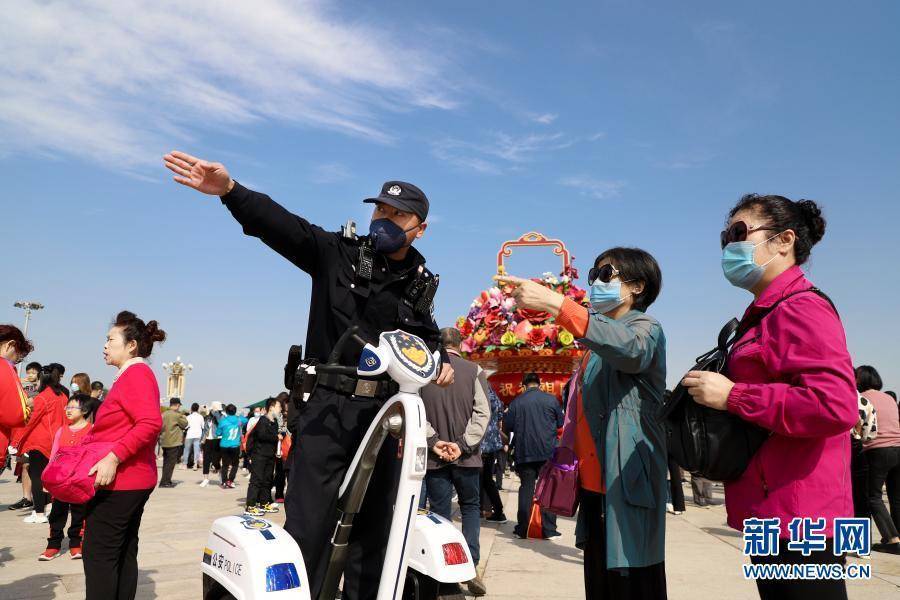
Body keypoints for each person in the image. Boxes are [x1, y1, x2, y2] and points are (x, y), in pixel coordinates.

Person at [164, 149, 454, 600]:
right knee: (310, 528)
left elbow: (427, 337)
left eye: (398, 215)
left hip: (385, 415)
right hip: (327, 411)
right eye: (379, 208)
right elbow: (285, 228)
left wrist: (443, 360)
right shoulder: (338, 253)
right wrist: (230, 191)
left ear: (420, 228)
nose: (384, 219)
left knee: (378, 532)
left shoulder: (420, 284)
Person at [684, 195, 857, 600]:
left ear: (784, 241)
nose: (729, 245)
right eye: (725, 237)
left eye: (739, 233)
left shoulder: (800, 308)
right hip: (769, 508)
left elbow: (834, 405)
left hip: (799, 514)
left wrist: (734, 397)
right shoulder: (764, 313)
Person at [501, 247, 668, 599]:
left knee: (632, 580)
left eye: (606, 275)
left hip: (627, 481)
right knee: (600, 582)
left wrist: (556, 304)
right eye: (593, 276)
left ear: (637, 286)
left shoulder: (645, 329)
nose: (596, 283)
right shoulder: (593, 348)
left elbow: (630, 350)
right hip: (595, 487)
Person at [82, 310, 165, 600]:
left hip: (121, 481)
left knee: (99, 556)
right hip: (133, 480)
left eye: (110, 339)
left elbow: (151, 422)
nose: (104, 345)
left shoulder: (137, 374)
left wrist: (114, 456)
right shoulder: (132, 375)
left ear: (131, 345)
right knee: (123, 551)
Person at [420, 327, 491, 597]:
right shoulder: (474, 370)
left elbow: (417, 411)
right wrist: (462, 446)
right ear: (460, 344)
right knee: (471, 508)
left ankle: (446, 569)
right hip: (468, 457)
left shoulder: (426, 371)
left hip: (435, 457)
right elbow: (482, 413)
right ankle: (470, 565)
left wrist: (435, 441)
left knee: (440, 514)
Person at [502, 372, 563, 540]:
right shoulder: (551, 400)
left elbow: (508, 426)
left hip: (525, 452)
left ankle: (523, 529)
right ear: (540, 384)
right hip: (548, 452)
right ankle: (549, 529)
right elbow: (560, 423)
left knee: (527, 488)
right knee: (548, 490)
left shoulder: (516, 402)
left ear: (524, 385)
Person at [41, 393, 96, 561]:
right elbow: (54, 455)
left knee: (80, 513)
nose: (68, 410)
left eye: (73, 407)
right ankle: (53, 545)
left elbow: (94, 454)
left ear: (85, 410)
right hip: (59, 480)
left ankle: (75, 543)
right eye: (67, 407)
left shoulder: (92, 430)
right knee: (57, 513)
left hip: (79, 481)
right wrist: (47, 480)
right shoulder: (61, 430)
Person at [13, 363, 68, 524]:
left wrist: (16, 442)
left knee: (36, 476)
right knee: (49, 477)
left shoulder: (43, 397)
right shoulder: (63, 396)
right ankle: (50, 505)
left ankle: (38, 512)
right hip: (57, 443)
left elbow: (30, 422)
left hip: (40, 443)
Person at [857, 365, 900, 554]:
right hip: (898, 448)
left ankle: (892, 539)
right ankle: (897, 538)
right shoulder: (889, 398)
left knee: (873, 497)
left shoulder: (862, 398)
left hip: (877, 450)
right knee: (896, 498)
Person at [0, 325, 33, 505]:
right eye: (18, 355)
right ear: (10, 345)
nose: (17, 361)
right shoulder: (4, 367)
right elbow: (17, 414)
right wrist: (29, 406)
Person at [244, 397, 282, 516]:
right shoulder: (262, 421)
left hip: (270, 455)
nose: (280, 409)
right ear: (271, 408)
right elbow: (262, 436)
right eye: (279, 407)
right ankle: (250, 506)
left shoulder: (274, 422)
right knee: (256, 480)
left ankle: (264, 502)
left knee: (267, 480)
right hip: (259, 455)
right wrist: (276, 437)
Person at [851, 377, 877, 521]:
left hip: (833, 450)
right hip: (857, 448)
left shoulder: (832, 397)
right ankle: (862, 540)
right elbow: (870, 435)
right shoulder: (866, 402)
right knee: (861, 497)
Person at [480, 385, 508, 523]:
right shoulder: (495, 397)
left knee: (477, 479)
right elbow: (501, 416)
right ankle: (497, 510)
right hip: (491, 444)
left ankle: (480, 508)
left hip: (478, 442)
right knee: (487, 479)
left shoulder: (477, 393)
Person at [158, 398, 187, 488]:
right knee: (170, 463)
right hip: (173, 442)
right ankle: (165, 482)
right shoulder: (177, 415)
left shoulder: (163, 414)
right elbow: (185, 424)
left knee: (166, 463)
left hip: (164, 441)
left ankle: (166, 480)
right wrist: (183, 416)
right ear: (177, 405)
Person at [217, 404, 245, 489]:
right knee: (235, 464)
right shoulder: (239, 420)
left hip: (224, 445)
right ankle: (230, 480)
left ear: (226, 411)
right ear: (235, 411)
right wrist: (239, 417)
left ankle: (224, 481)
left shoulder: (223, 421)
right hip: (234, 445)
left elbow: (218, 433)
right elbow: (246, 419)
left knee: (225, 464)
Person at [200, 402, 223, 488]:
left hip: (217, 439)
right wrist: (202, 440)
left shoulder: (221, 417)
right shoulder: (208, 418)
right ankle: (206, 479)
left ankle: (220, 474)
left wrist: (216, 414)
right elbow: (205, 430)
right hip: (207, 440)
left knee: (215, 460)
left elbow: (221, 424)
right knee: (206, 459)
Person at [182, 402, 203, 469]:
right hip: (198, 435)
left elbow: (186, 426)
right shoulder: (201, 417)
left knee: (186, 450)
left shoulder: (188, 417)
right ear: (198, 409)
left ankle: (185, 464)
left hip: (190, 435)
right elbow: (203, 426)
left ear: (191, 408)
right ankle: (195, 464)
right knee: (197, 450)